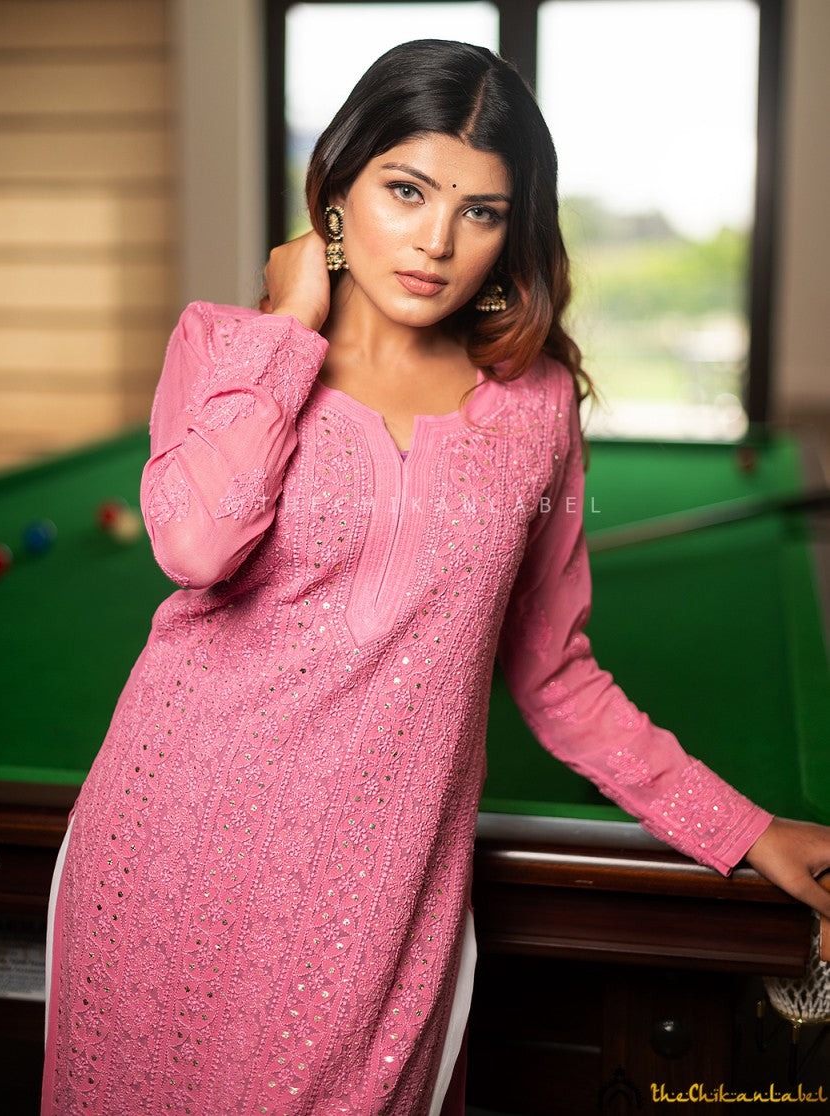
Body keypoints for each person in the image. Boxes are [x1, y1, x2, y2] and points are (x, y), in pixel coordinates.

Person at [42, 38, 830, 1116]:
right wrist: (286, 330)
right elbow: (195, 548)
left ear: (514, 230)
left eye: (479, 211)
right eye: (402, 190)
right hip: (167, 853)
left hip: (373, 904)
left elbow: (554, 678)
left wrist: (739, 827)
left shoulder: (534, 405)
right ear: (333, 187)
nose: (432, 242)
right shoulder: (228, 346)